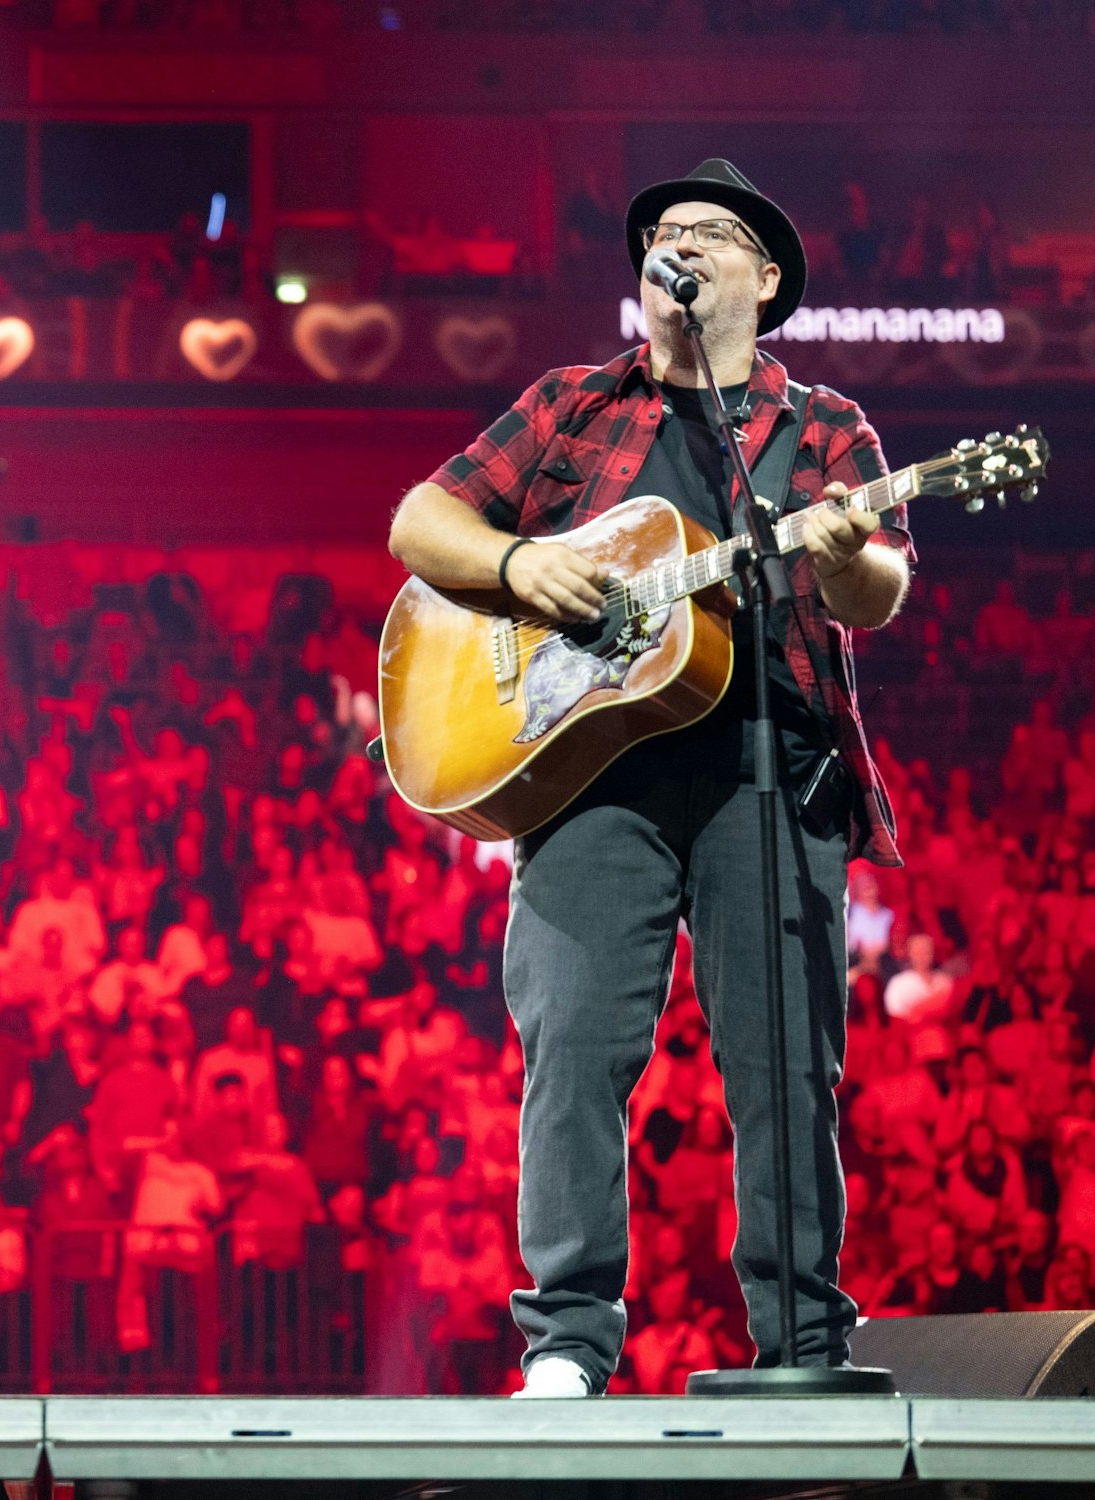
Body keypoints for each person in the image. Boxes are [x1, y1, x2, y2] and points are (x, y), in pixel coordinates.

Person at [388, 160, 913, 1396]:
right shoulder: (573, 404)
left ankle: (799, 1345)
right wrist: (519, 571)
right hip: (586, 778)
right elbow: (422, 522)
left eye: (705, 235)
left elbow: (875, 588)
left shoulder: (820, 426)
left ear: (761, 277)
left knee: (783, 1066)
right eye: (657, 235)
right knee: (570, 1046)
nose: (671, 248)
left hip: (765, 770)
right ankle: (565, 1343)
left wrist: (838, 557)